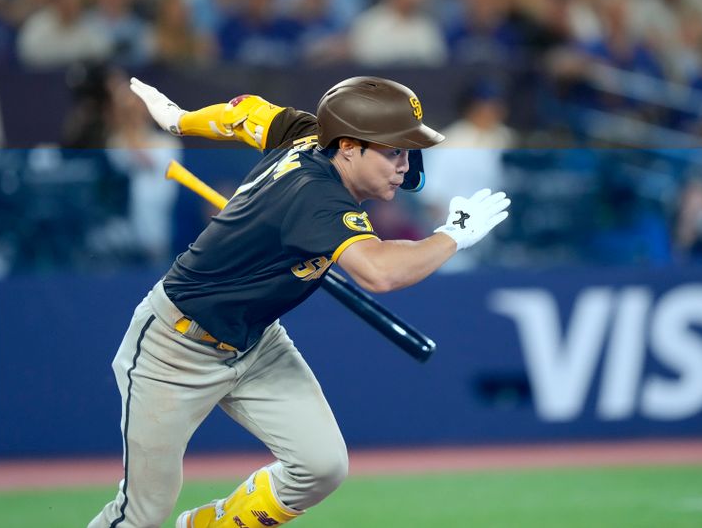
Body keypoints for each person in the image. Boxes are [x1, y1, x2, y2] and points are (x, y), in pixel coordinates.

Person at [88, 75, 510, 528]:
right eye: (392, 151)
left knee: (321, 467)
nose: (404, 164)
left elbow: (243, 113)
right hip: (173, 348)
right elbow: (380, 272)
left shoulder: (308, 132)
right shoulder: (316, 196)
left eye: (406, 151)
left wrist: (181, 120)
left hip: (255, 341)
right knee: (141, 516)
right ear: (349, 146)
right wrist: (452, 236)